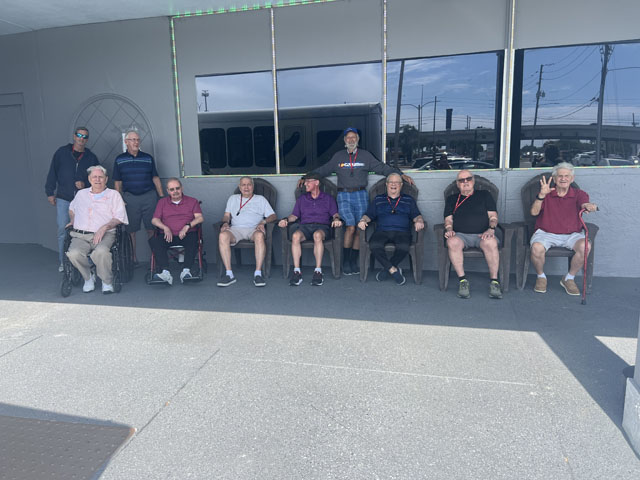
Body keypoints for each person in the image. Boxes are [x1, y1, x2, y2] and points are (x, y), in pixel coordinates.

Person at [303, 127, 413, 276]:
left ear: (358, 140)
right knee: (350, 227)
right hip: (344, 195)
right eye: (348, 138)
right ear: (344, 141)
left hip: (361, 194)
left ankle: (354, 261)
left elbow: (382, 168)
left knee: (360, 228)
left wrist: (400, 174)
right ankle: (346, 261)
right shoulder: (338, 157)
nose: (351, 140)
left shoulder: (365, 156)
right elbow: (323, 170)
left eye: (354, 137)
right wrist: (306, 177)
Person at [529, 162, 597, 295]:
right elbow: (534, 212)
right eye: (560, 176)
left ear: (572, 179)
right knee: (536, 247)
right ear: (554, 179)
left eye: (567, 176)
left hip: (572, 234)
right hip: (546, 233)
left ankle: (569, 278)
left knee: (586, 246)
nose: (563, 178)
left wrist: (588, 206)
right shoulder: (546, 193)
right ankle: (541, 276)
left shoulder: (579, 194)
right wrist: (541, 196)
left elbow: (584, 203)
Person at [66, 165, 128, 294]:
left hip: (106, 234)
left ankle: (107, 281)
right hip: (81, 235)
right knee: (73, 253)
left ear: (106, 179)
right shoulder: (81, 194)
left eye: (101, 177)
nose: (97, 179)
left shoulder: (113, 195)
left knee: (101, 252)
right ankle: (88, 277)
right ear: (89, 179)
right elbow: (72, 209)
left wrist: (105, 227)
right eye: (94, 177)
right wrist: (73, 219)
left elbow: (119, 217)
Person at [45, 127, 100, 272]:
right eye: (79, 135)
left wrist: (85, 185)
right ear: (74, 136)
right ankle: (64, 262)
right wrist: (49, 192)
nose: (81, 138)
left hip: (84, 201)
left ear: (87, 140)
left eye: (85, 136)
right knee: (63, 229)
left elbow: (98, 179)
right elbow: (53, 172)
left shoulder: (91, 157)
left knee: (86, 231)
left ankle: (86, 261)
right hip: (64, 198)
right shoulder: (61, 153)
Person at [443, 170, 502, 299]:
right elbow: (448, 219)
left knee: (491, 242)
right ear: (457, 184)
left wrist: (491, 229)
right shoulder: (452, 199)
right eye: (461, 180)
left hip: (482, 235)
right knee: (452, 241)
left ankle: (494, 281)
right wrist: (449, 230)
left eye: (468, 179)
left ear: (473, 181)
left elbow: (493, 216)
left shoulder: (485, 195)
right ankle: (463, 281)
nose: (465, 182)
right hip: (460, 235)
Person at [357, 173, 424, 285]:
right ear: (387, 185)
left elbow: (417, 215)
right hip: (382, 231)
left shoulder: (409, 200)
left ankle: (387, 270)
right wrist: (363, 220)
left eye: (397, 182)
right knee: (374, 245)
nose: (394, 184)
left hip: (402, 232)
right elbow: (369, 215)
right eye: (391, 182)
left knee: (403, 247)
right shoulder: (378, 199)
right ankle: (393, 270)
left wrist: (419, 221)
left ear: (401, 185)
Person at [279, 173, 342, 286]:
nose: (305, 184)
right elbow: (294, 216)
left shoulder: (328, 198)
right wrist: (285, 220)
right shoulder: (302, 199)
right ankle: (297, 271)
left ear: (317, 182)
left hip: (322, 227)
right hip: (305, 227)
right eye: (305, 182)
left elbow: (335, 214)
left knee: (317, 235)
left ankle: (318, 271)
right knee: (295, 236)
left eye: (308, 181)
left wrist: (336, 219)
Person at [112, 129, 164, 265]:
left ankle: (155, 258)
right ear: (126, 142)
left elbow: (155, 177)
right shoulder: (119, 159)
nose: (135, 142)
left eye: (137, 140)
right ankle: (132, 259)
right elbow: (117, 182)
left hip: (149, 197)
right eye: (132, 140)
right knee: (131, 231)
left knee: (152, 228)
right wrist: (119, 200)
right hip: (130, 198)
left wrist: (162, 196)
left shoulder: (147, 158)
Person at [217, 176, 276, 287]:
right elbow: (226, 216)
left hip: (254, 229)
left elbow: (273, 216)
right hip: (235, 229)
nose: (246, 187)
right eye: (243, 185)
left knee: (259, 236)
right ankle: (229, 274)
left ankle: (258, 274)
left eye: (249, 184)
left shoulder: (260, 199)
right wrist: (225, 223)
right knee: (222, 236)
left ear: (253, 187)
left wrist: (263, 222)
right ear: (239, 187)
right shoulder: (233, 198)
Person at [148, 178, 204, 285]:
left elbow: (200, 218)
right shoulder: (162, 202)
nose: (175, 191)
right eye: (172, 189)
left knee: (193, 239)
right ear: (168, 191)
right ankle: (165, 273)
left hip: (186, 234)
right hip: (168, 235)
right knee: (154, 241)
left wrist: (187, 226)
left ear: (182, 188)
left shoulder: (192, 201)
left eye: (177, 188)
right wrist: (165, 227)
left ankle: (186, 271)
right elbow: (154, 220)